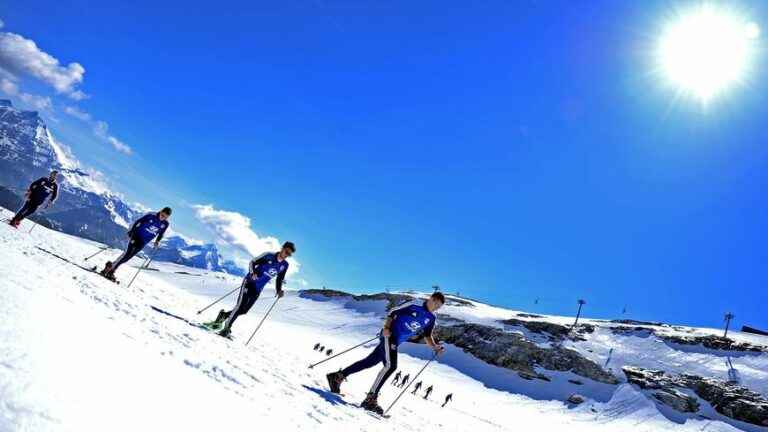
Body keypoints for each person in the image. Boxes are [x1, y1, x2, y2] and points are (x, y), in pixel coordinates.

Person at [326, 292, 446, 415]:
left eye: (439, 306)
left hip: (396, 341)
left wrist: (435, 347)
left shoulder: (431, 318)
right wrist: (386, 328)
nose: (437, 308)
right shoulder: (415, 304)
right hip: (389, 336)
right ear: (431, 299)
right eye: (436, 304)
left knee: (369, 362)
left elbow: (427, 335)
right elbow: (393, 312)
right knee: (391, 366)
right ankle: (370, 399)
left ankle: (337, 377)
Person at [206, 242, 295, 337]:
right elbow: (252, 262)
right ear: (282, 248)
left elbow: (279, 278)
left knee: (244, 310)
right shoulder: (269, 255)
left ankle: (223, 316)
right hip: (249, 282)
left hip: (258, 288)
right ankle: (227, 328)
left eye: (289, 254)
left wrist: (278, 290)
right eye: (286, 252)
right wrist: (252, 273)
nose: (286, 255)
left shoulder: (285, 265)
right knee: (239, 306)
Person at [99, 207, 171, 281]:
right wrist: (131, 231)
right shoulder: (151, 215)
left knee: (129, 257)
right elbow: (138, 222)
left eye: (165, 217)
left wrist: (157, 241)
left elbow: (161, 233)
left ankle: (110, 266)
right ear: (160, 211)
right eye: (162, 215)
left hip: (144, 241)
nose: (162, 218)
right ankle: (111, 270)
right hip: (136, 235)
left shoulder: (165, 224)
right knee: (127, 253)